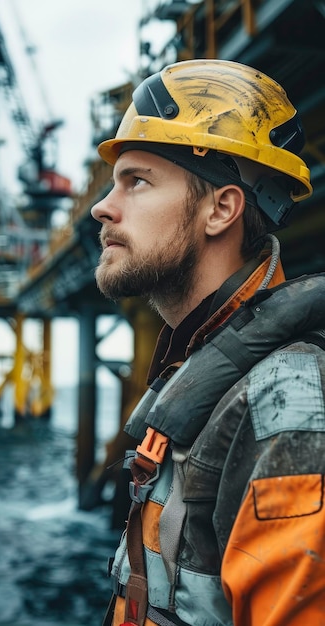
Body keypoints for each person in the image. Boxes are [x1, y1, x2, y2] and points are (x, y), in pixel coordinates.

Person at [90, 58, 325, 626]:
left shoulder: (285, 401)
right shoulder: (206, 368)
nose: (102, 206)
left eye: (137, 181)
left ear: (221, 208)